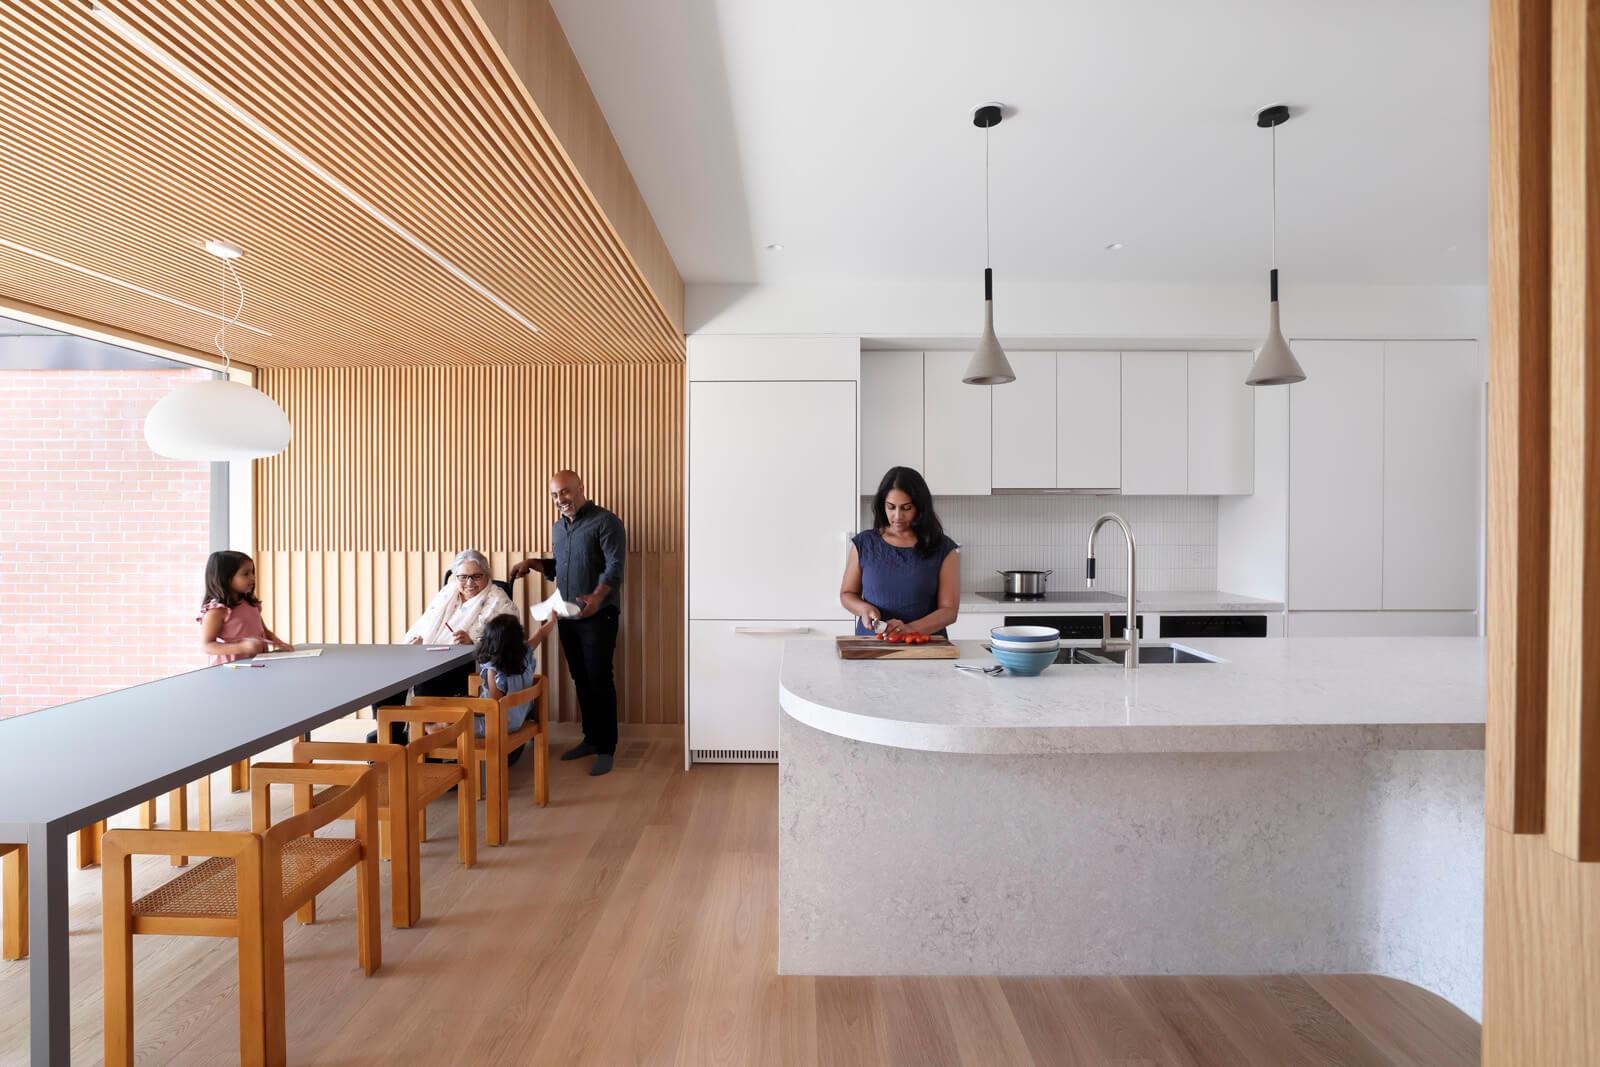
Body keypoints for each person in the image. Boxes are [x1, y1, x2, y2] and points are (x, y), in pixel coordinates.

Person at [509, 470, 626, 776]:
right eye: (554, 494)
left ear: (580, 488)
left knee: (599, 678)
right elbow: (561, 568)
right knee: (580, 678)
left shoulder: (606, 522)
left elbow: (615, 567)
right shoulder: (558, 528)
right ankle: (590, 738)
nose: (560, 499)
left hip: (599, 615)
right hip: (567, 615)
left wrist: (596, 598)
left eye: (565, 492)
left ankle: (606, 748)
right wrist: (533, 563)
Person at [372, 550, 517, 743]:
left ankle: (426, 737)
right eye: (463, 577)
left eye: (476, 576)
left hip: (465, 664)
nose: (469, 583)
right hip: (430, 655)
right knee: (386, 675)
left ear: (487, 575)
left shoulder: (499, 601)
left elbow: (508, 641)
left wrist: (474, 643)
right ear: (455, 576)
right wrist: (418, 640)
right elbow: (425, 623)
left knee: (425, 679)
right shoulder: (448, 592)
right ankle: (391, 732)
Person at [840, 466, 961, 637]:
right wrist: (864, 608)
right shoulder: (864, 543)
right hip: (872, 643)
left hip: (924, 644)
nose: (897, 516)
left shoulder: (943, 548)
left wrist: (909, 629)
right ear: (883, 505)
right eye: (891, 507)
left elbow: (949, 611)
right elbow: (847, 594)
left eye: (906, 508)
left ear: (920, 507)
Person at [198, 550, 292, 665]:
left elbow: (265, 632)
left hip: (256, 664)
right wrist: (242, 647)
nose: (253, 577)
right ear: (225, 578)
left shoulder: (251, 604)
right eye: (246, 574)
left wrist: (280, 644)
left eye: (252, 572)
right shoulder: (217, 610)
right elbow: (207, 646)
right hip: (232, 668)